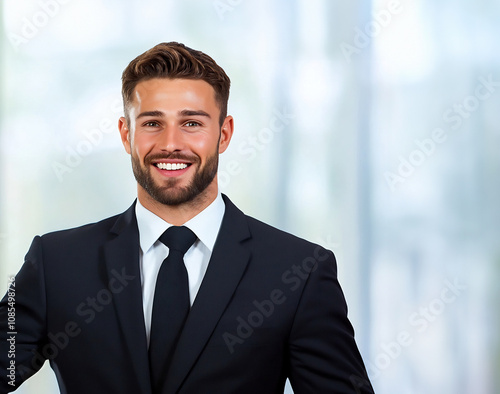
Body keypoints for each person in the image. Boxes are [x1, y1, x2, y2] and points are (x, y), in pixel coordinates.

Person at [0, 42, 374, 394]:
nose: (170, 143)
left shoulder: (300, 271)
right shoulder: (55, 262)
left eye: (192, 123)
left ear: (223, 134)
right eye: (151, 123)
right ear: (126, 134)